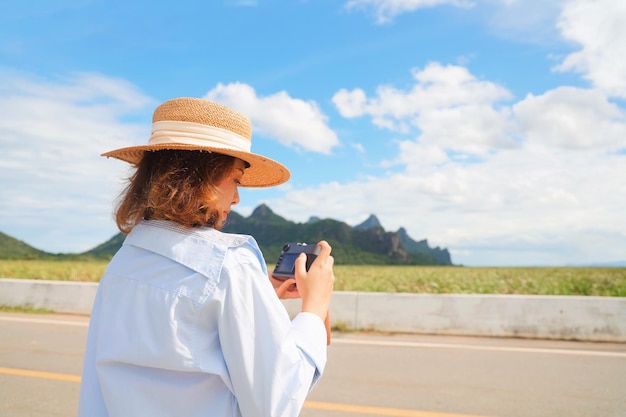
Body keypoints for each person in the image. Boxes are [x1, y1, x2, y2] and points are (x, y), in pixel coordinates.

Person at [77, 97, 335, 417]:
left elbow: (101, 385)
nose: (237, 198)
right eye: (236, 179)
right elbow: (276, 403)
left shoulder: (124, 261)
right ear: (204, 176)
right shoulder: (229, 264)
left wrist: (258, 298)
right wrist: (314, 308)